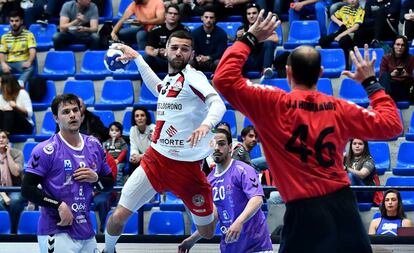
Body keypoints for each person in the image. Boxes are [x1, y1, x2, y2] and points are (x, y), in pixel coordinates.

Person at [213, 10, 402, 252]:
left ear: (288, 74)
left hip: (303, 211)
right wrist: (371, 83)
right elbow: (392, 125)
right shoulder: (340, 108)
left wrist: (249, 38)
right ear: (321, 74)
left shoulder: (271, 103)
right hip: (344, 207)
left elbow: (223, 79)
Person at [102, 30, 226, 253]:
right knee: (118, 216)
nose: (179, 52)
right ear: (166, 50)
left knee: (208, 233)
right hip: (155, 161)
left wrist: (207, 125)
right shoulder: (171, 80)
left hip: (187, 170)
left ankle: (211, 206)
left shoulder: (194, 77)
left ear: (192, 54)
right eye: (175, 47)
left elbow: (218, 104)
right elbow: (158, 88)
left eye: (185, 49)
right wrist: (138, 58)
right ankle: (108, 251)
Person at [21, 94, 114, 253]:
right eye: (65, 112)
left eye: (75, 110)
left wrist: (96, 178)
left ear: (81, 115)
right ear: (56, 118)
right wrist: (58, 205)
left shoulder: (94, 145)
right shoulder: (45, 149)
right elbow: (27, 189)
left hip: (86, 231)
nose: (72, 115)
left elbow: (109, 184)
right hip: (56, 230)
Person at [178, 128, 273, 253]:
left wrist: (239, 222)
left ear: (230, 147)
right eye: (213, 144)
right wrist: (192, 240)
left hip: (256, 247)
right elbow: (215, 216)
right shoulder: (209, 181)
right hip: (229, 248)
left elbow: (257, 200)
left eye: (221, 144)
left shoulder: (243, 169)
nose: (217, 148)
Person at [236, 2, 278, 79]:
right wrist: (239, 38)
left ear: (259, 15)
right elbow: (236, 47)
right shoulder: (242, 28)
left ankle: (266, 71)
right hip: (247, 60)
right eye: (249, 14)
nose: (251, 16)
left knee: (268, 43)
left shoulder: (265, 26)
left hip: (261, 59)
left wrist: (255, 38)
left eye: (254, 13)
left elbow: (275, 39)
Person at [319, 0, 364, 69]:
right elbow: (332, 16)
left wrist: (340, 35)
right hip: (342, 29)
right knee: (322, 41)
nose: (352, 1)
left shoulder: (361, 10)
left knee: (343, 41)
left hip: (352, 33)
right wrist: (339, 22)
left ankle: (346, 66)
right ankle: (330, 62)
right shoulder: (345, 8)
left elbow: (356, 27)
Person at [144, 3, 189, 72]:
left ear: (179, 16)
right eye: (170, 13)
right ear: (165, 15)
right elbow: (148, 49)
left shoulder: (184, 31)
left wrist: (169, 52)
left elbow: (188, 49)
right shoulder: (156, 30)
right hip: (161, 60)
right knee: (146, 58)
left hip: (177, 60)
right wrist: (156, 52)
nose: (172, 15)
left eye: (175, 14)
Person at [0, 10, 36, 84]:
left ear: (21, 21)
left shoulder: (29, 34)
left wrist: (29, 61)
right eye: (12, 21)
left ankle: (19, 85)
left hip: (22, 63)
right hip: (9, 63)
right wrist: (3, 64)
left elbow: (32, 50)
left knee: (30, 68)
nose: (14, 23)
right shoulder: (4, 36)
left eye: (16, 21)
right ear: (9, 22)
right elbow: (1, 52)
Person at [0, 130, 24, 234]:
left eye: (3, 137)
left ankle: (13, 231)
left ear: (8, 140)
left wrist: (8, 154)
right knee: (1, 202)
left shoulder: (17, 153)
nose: (1, 139)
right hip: (1, 190)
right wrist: (3, 195)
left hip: (16, 188)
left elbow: (15, 172)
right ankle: (4, 230)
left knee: (15, 200)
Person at [191, 8, 227, 73]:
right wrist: (196, 57)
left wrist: (208, 57)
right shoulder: (195, 33)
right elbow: (193, 50)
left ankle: (216, 80)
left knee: (219, 62)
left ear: (215, 19)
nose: (208, 20)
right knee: (190, 62)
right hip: (199, 61)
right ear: (202, 18)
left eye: (211, 18)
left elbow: (221, 52)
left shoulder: (222, 33)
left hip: (213, 61)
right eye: (206, 17)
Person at [379, 35, 414, 102]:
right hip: (390, 87)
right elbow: (381, 76)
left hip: (405, 87)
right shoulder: (386, 58)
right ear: (394, 46)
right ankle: (386, 100)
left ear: (405, 47)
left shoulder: (411, 58)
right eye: (397, 44)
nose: (400, 47)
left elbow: (412, 78)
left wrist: (407, 75)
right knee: (385, 75)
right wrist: (391, 74)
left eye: (403, 45)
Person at [344, 138, 378, 203]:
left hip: (366, 193)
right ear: (351, 146)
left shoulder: (369, 160)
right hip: (352, 192)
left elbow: (362, 174)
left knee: (350, 175)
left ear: (365, 146)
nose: (357, 146)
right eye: (354, 144)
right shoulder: (346, 159)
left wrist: (346, 169)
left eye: (360, 144)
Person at [128, 106, 155, 175]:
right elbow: (134, 147)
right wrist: (134, 156)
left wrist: (140, 156)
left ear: (146, 118)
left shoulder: (153, 128)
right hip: (142, 157)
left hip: (153, 158)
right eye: (137, 116)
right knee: (132, 163)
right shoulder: (133, 130)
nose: (140, 118)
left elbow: (154, 151)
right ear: (134, 119)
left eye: (142, 115)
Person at [102, 122, 128, 186]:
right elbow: (105, 152)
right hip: (109, 161)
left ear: (120, 133)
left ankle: (118, 187)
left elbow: (124, 151)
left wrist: (118, 160)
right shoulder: (107, 142)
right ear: (109, 132)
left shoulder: (121, 141)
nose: (114, 132)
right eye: (112, 130)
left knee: (118, 170)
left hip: (119, 161)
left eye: (117, 130)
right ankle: (109, 185)